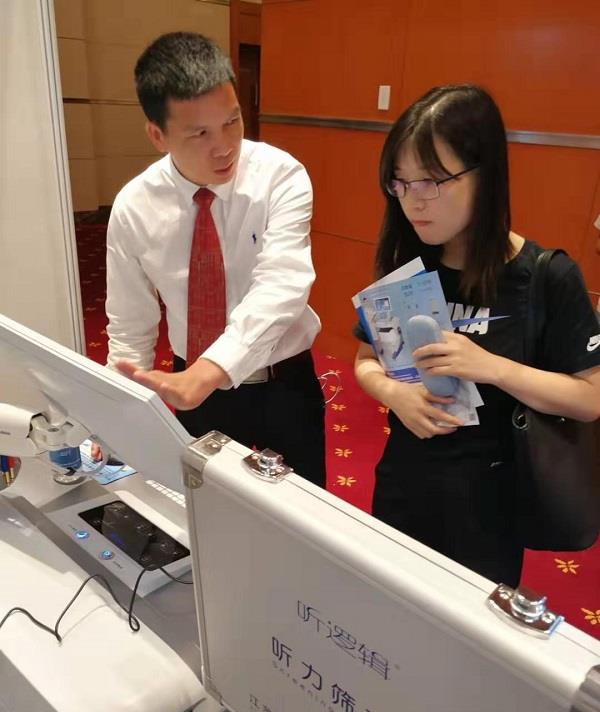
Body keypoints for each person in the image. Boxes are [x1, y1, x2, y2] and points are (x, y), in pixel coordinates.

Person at [354, 84, 600, 586]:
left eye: (432, 181)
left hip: (492, 501)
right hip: (404, 479)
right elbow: (365, 360)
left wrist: (492, 367)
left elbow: (590, 399)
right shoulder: (408, 264)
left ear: (484, 175)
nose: (413, 202)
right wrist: (395, 395)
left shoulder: (546, 276)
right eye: (401, 183)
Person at [104, 32, 325, 486]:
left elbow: (282, 285)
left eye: (232, 121)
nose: (224, 146)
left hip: (282, 383)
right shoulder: (134, 206)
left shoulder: (280, 177)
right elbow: (130, 326)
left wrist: (210, 371)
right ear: (157, 135)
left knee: (302, 518)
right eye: (200, 133)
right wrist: (117, 414)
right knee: (204, 512)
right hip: (193, 390)